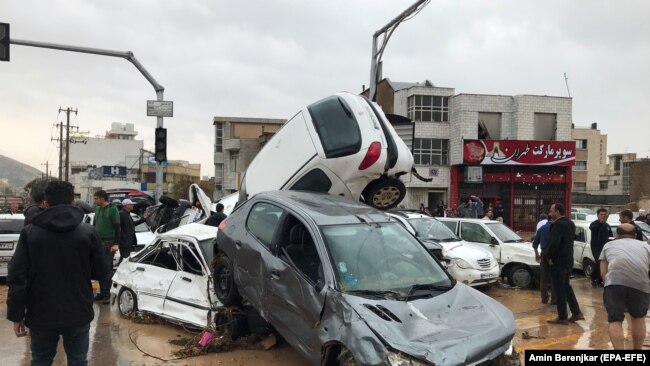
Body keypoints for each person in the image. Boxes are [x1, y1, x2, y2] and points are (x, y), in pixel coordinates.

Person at [6, 180, 108, 365]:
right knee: (78, 361)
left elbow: (16, 276)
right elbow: (101, 271)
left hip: (40, 312)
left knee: (41, 361)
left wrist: (16, 315)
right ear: (73, 202)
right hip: (78, 310)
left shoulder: (30, 233)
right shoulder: (88, 232)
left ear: (46, 203)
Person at [599, 223, 650, 350]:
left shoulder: (608, 245)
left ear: (617, 235)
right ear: (635, 235)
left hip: (614, 283)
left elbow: (603, 272)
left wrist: (609, 284)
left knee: (615, 320)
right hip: (640, 284)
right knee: (638, 317)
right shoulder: (645, 246)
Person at [545, 203, 584, 324]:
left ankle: (562, 316)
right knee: (566, 287)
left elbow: (554, 243)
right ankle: (576, 312)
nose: (550, 213)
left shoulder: (558, 225)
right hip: (568, 261)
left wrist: (548, 256)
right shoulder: (570, 223)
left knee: (559, 289)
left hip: (558, 262)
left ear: (557, 211)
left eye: (551, 211)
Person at [92, 190, 120, 304]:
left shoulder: (113, 209)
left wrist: (116, 243)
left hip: (109, 242)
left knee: (107, 268)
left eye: (96, 198)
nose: (95, 201)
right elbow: (94, 225)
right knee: (98, 268)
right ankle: (101, 293)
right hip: (98, 242)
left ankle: (107, 294)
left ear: (103, 198)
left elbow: (118, 227)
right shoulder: (97, 209)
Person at [532, 217, 555, 305]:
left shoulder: (541, 228)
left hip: (543, 255)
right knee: (554, 278)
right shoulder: (555, 228)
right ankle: (554, 299)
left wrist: (537, 254)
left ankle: (544, 299)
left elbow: (534, 244)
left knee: (543, 279)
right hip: (553, 256)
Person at [118, 199, 147, 263]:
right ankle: (121, 270)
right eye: (131, 204)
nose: (132, 205)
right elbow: (118, 228)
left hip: (128, 241)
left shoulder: (128, 214)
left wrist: (143, 219)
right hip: (124, 241)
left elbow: (132, 224)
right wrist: (120, 240)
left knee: (126, 258)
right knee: (124, 258)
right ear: (125, 206)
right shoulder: (121, 214)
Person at [589, 208, 613, 287]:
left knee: (602, 263)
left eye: (604, 215)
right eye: (601, 214)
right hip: (596, 247)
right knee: (599, 261)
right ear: (598, 215)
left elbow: (610, 236)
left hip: (605, 247)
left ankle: (596, 278)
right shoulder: (594, 224)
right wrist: (600, 223)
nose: (603, 216)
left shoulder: (607, 225)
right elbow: (593, 228)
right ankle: (596, 279)